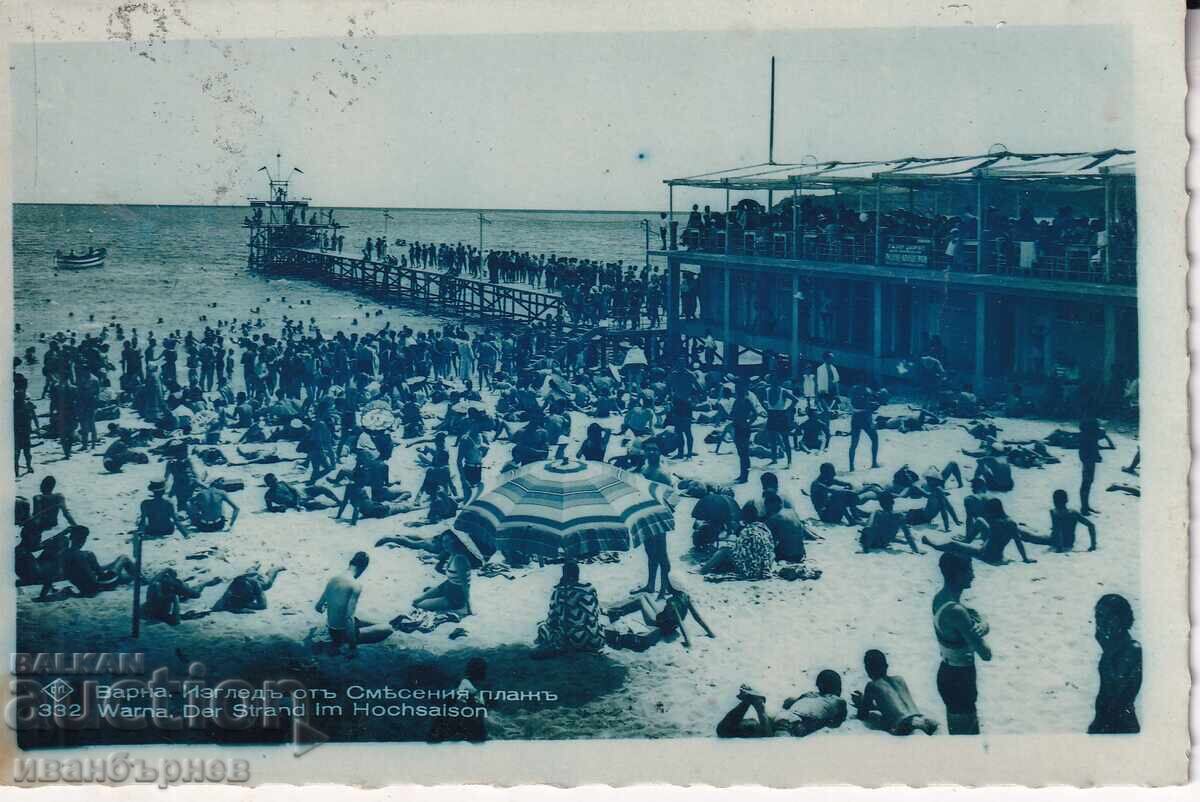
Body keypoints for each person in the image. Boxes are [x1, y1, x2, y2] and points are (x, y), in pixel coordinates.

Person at [930, 552, 991, 734]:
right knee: (967, 740)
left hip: (948, 672)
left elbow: (973, 618)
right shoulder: (957, 611)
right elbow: (986, 654)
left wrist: (983, 625)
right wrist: (984, 627)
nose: (973, 575)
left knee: (959, 735)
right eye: (969, 570)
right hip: (960, 678)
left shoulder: (940, 598)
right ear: (957, 574)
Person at [716, 671, 847, 738]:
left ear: (819, 686)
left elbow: (787, 703)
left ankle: (747, 702)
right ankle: (759, 707)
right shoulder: (838, 701)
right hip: (792, 723)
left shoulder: (809, 694)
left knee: (723, 730)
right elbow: (836, 722)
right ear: (837, 687)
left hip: (781, 716)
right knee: (776, 748)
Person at [314, 551, 393, 655]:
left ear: (350, 563)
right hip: (341, 633)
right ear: (363, 568)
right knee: (388, 628)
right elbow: (349, 618)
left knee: (381, 623)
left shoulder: (333, 579)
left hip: (331, 627)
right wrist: (352, 645)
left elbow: (318, 607)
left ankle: (387, 624)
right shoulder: (355, 585)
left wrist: (332, 606)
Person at [923, 497, 1037, 565]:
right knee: (979, 521)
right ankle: (967, 540)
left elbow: (974, 515)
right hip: (997, 553)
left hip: (986, 555)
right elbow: (1018, 542)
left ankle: (933, 544)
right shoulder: (1010, 522)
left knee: (953, 544)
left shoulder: (994, 521)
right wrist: (1025, 558)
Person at [851, 649, 939, 735]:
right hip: (922, 718)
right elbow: (890, 705)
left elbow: (863, 715)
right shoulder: (899, 679)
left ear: (867, 669)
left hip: (904, 725)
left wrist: (860, 703)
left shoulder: (872, 685)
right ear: (887, 666)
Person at [1088, 594, 1141, 734]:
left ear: (1121, 619)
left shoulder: (1131, 649)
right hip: (1105, 721)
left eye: (1107, 617)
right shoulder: (1116, 646)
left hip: (1120, 725)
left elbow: (1116, 691)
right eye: (1098, 617)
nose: (1101, 623)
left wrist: (1107, 650)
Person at [532, 561, 606, 658]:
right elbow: (595, 613)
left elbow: (552, 620)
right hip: (595, 641)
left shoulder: (558, 591)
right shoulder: (589, 589)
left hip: (570, 642)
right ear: (577, 574)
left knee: (542, 627)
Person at [605, 589, 714, 650]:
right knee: (645, 594)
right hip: (667, 621)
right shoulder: (685, 596)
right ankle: (617, 608)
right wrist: (710, 633)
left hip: (660, 625)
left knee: (640, 600)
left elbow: (681, 623)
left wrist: (688, 642)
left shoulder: (672, 602)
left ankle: (616, 611)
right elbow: (697, 617)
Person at [701, 501, 776, 579]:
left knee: (725, 550)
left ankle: (703, 570)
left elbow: (740, 552)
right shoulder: (764, 528)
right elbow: (770, 547)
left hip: (752, 570)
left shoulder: (747, 531)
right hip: (765, 568)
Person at [412, 530, 479, 613]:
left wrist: (469, 608)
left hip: (456, 597)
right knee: (418, 599)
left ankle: (456, 604)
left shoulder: (460, 560)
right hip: (448, 586)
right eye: (443, 542)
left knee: (418, 605)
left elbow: (465, 586)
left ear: (455, 542)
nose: (444, 545)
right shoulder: (452, 554)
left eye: (447, 541)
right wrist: (422, 597)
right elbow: (449, 580)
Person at [1019, 489, 1097, 552]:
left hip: (1055, 541)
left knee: (1030, 536)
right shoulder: (1074, 513)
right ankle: (1026, 526)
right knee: (1037, 532)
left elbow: (1058, 530)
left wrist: (1059, 548)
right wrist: (1093, 545)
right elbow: (1091, 525)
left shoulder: (1054, 512)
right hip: (1069, 542)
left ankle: (1020, 528)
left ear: (1054, 501)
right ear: (1067, 500)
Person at [141, 568, 222, 626]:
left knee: (181, 593)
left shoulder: (156, 581)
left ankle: (200, 584)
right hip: (160, 612)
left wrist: (166, 570)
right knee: (191, 593)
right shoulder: (173, 584)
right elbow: (195, 594)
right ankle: (204, 583)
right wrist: (204, 584)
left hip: (148, 610)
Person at [1079, 417, 1116, 515]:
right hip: (1088, 457)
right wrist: (1096, 456)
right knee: (1087, 482)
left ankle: (1085, 506)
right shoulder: (1089, 435)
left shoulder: (1088, 434)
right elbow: (1092, 446)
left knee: (1088, 481)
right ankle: (1084, 508)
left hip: (1087, 457)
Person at [847, 384, 880, 472]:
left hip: (855, 418)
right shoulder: (867, 390)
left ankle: (851, 466)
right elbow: (869, 405)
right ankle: (874, 463)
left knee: (854, 443)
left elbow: (852, 404)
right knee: (875, 439)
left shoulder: (853, 390)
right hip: (865, 418)